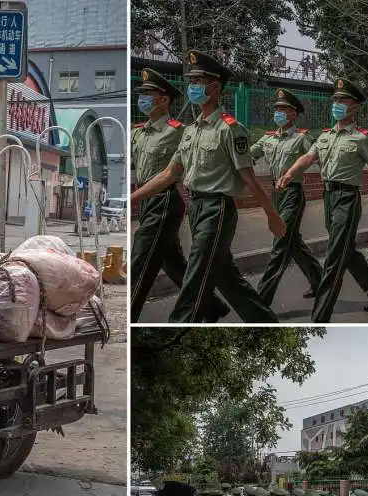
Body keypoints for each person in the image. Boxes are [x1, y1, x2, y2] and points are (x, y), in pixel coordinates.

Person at [130, 51, 285, 323]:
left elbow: (248, 177)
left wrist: (271, 214)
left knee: (196, 277)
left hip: (218, 209)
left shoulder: (230, 129)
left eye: (200, 80)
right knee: (227, 278)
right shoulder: (190, 131)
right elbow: (167, 175)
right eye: (192, 80)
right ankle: (265, 323)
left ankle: (178, 325)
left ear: (215, 87)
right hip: (196, 208)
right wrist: (132, 198)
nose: (193, 86)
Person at [279, 77, 368, 321]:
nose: (337, 104)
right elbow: (309, 158)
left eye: (342, 100)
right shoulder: (325, 136)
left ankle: (320, 316)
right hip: (328, 197)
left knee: (334, 257)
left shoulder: (362, 138)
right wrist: (291, 173)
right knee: (347, 250)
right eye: (335, 99)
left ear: (354, 106)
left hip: (347, 199)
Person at [130, 69, 230, 324]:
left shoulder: (178, 131)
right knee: (171, 262)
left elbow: (177, 170)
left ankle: (128, 318)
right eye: (141, 94)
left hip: (164, 200)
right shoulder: (138, 132)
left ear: (164, 100)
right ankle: (212, 306)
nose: (142, 99)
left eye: (148, 94)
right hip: (146, 198)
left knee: (140, 261)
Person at [249, 88, 323, 304]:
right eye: (277, 109)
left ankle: (261, 299)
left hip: (292, 193)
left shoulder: (301, 139)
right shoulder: (267, 139)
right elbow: (247, 155)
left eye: (283, 109)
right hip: (276, 194)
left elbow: (316, 157)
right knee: (293, 242)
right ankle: (318, 279)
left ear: (293, 114)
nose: (278, 112)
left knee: (281, 242)